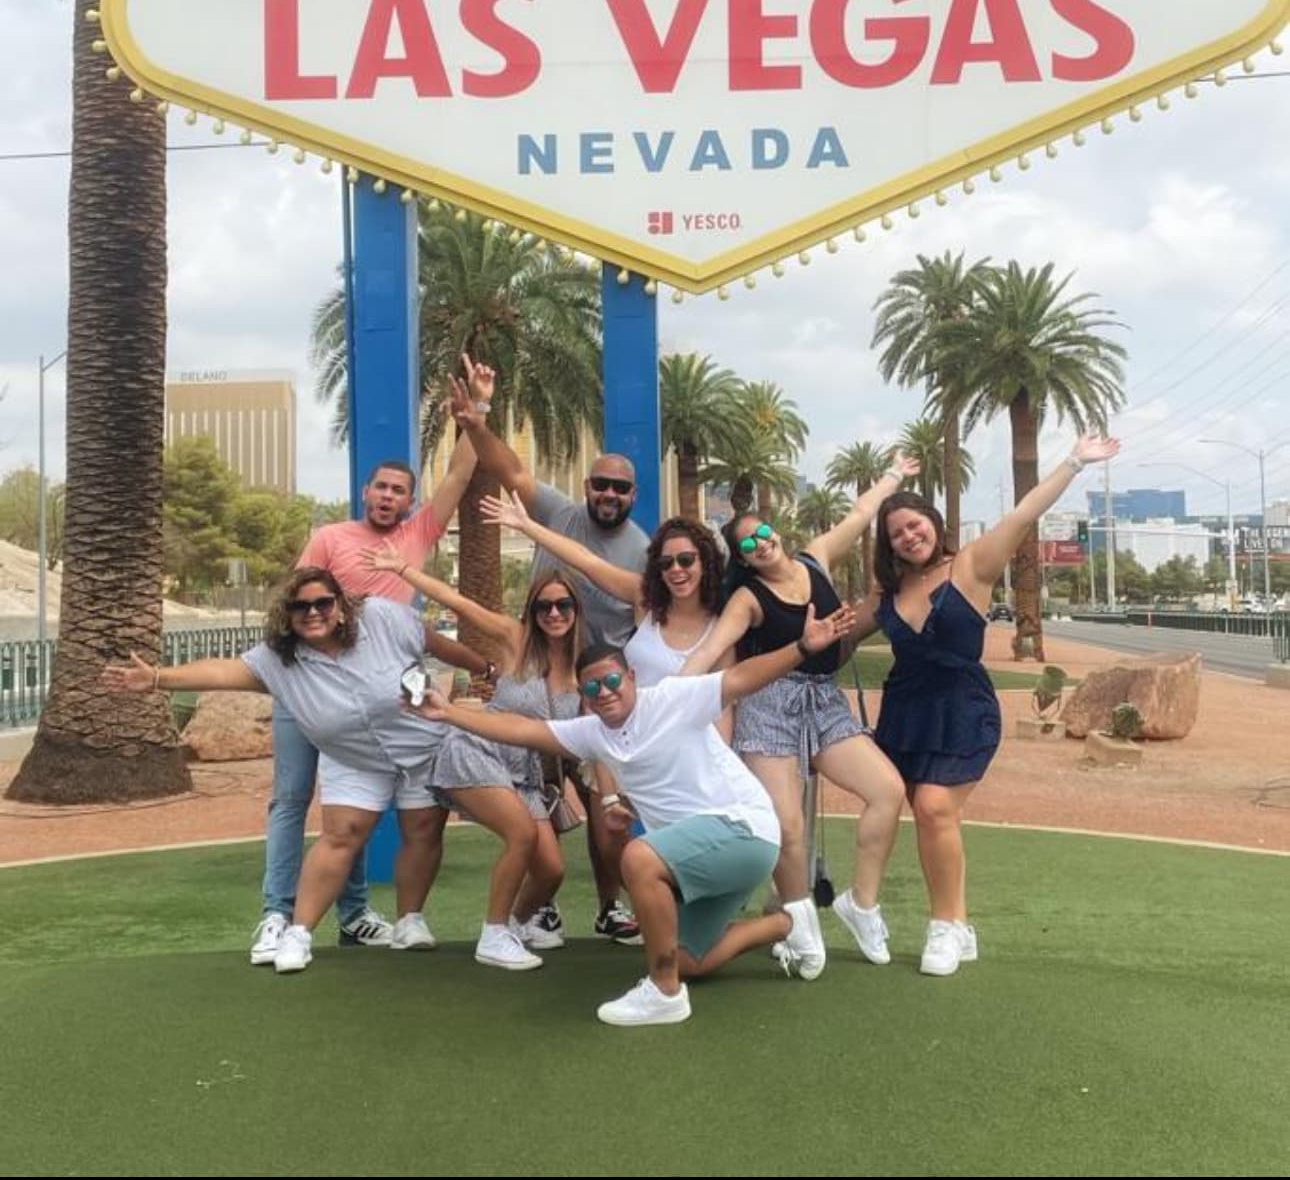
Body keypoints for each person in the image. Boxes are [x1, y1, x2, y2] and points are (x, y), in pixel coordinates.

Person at [410, 601, 856, 1025]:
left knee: (639, 858)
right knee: (688, 959)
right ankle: (787, 923)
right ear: (583, 695)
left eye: (612, 681)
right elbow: (522, 729)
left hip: (744, 830)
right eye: (591, 688)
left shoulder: (672, 698)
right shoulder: (593, 732)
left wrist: (802, 647)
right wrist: (449, 713)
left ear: (631, 677)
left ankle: (665, 994)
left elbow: (741, 678)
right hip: (709, 855)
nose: (604, 693)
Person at [252, 355, 495, 967]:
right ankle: (276, 916)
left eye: (399, 491)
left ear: (410, 501)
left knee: (357, 803)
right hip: (314, 685)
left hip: (390, 690)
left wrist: (477, 410)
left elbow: (460, 474)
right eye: (380, 487)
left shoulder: (415, 536)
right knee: (292, 799)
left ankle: (355, 914)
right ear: (365, 491)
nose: (388, 496)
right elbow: (294, 602)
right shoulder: (330, 538)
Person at [858, 431, 1121, 977]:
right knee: (929, 815)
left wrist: (1074, 462)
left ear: (934, 522)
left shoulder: (972, 564)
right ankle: (959, 924)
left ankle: (944, 926)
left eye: (915, 525)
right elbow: (835, 635)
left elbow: (1024, 513)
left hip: (962, 708)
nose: (909, 536)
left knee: (935, 807)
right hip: (905, 713)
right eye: (897, 533)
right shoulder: (888, 593)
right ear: (888, 545)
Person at [104, 568, 452, 975]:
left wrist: (486, 669)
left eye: (322, 603)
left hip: (417, 745)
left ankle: (410, 920)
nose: (313, 612)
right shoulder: (277, 660)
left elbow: (433, 642)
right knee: (341, 835)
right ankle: (297, 932)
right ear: (286, 615)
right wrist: (158, 678)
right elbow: (221, 671)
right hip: (352, 756)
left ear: (340, 607)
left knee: (424, 827)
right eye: (300, 606)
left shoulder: (377, 625)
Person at [682, 457, 920, 979]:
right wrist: (669, 695)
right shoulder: (748, 597)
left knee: (887, 790)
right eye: (747, 544)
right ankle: (798, 922)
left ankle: (861, 904)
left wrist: (894, 476)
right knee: (787, 825)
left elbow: (860, 514)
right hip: (769, 707)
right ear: (743, 560)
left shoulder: (816, 560)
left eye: (762, 532)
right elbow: (711, 650)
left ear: (776, 531)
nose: (760, 543)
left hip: (823, 701)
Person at [448, 359, 648, 943]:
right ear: (587, 486)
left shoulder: (642, 550)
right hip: (538, 680)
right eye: (601, 484)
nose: (609, 494)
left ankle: (610, 906)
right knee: (534, 792)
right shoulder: (560, 512)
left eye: (620, 487)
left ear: (634, 495)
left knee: (604, 804)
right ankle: (538, 908)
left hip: (595, 694)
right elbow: (506, 466)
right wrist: (478, 415)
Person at [362, 545, 584, 971]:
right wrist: (401, 567)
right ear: (532, 611)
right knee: (520, 833)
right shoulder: (517, 640)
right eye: (543, 606)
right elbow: (458, 602)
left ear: (576, 610)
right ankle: (493, 935)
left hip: (526, 773)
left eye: (563, 605)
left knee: (551, 870)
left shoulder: (580, 668)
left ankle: (516, 923)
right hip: (478, 747)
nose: (554, 613)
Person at [480, 489, 731, 687]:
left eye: (686, 560)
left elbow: (724, 704)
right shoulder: (645, 598)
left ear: (706, 562)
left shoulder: (722, 628)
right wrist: (528, 526)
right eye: (666, 563)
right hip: (626, 730)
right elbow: (586, 560)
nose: (676, 569)